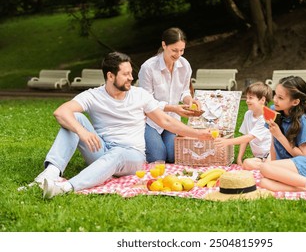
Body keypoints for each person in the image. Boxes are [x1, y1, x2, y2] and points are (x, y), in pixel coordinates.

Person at [34, 51, 211, 199]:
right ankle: (51, 172)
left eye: (130, 73)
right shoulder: (93, 95)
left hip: (132, 157)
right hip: (102, 150)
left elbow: (165, 120)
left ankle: (66, 187)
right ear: (110, 76)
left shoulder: (140, 95)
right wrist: (82, 132)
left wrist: (198, 134)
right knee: (75, 118)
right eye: (125, 74)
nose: (131, 78)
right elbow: (61, 112)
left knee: (118, 153)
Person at [138, 27, 201, 163]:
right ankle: (139, 147)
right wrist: (174, 108)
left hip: (171, 120)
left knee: (173, 156)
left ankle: (158, 143)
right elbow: (146, 101)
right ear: (164, 45)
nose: (178, 55)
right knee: (158, 157)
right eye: (174, 50)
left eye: (182, 50)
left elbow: (185, 90)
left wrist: (189, 100)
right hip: (150, 121)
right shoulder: (148, 68)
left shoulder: (185, 65)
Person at [214, 81, 272, 166]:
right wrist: (239, 159)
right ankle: (267, 167)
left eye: (251, 98)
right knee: (247, 163)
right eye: (247, 97)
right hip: (260, 157)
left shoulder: (265, 118)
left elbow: (249, 137)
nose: (247, 101)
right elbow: (245, 137)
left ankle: (272, 167)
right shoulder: (248, 114)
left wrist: (227, 141)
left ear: (262, 100)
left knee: (254, 165)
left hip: (271, 154)